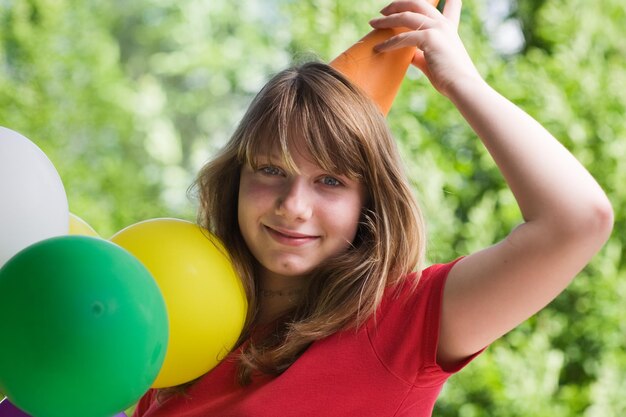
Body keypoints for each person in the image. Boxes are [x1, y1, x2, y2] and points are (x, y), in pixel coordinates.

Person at [133, 0, 613, 415]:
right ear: (235, 179)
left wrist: (463, 83)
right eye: (271, 170)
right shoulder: (177, 315)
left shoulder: (403, 325)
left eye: (329, 181)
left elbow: (578, 221)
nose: (293, 206)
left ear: (370, 202)